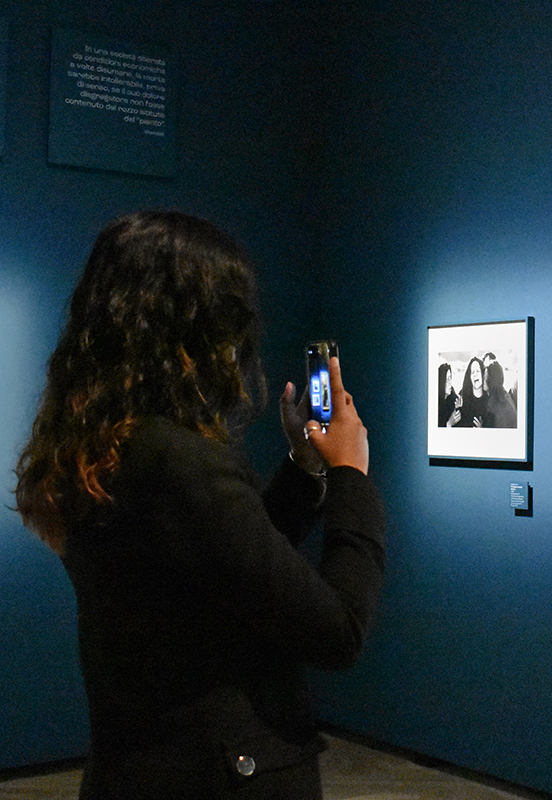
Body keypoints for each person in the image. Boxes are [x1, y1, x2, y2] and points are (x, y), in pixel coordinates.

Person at [14, 211, 385, 799]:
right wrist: (350, 475)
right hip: (220, 775)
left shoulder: (108, 447)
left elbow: (232, 568)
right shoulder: (179, 461)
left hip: (139, 770)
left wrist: (304, 466)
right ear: (192, 321)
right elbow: (338, 629)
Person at [483, 360, 517, 428]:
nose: (483, 380)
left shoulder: (498, 403)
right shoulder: (502, 395)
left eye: (485, 377)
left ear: (491, 379)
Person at [454, 356, 487, 428]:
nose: (475, 374)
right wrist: (457, 410)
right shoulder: (462, 398)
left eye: (478, 371)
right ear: (469, 377)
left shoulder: (489, 399)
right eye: (472, 372)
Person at [437, 362, 461, 427]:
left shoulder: (453, 399)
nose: (450, 382)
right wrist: (449, 424)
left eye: (450, 378)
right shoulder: (435, 403)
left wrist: (458, 408)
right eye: (447, 379)